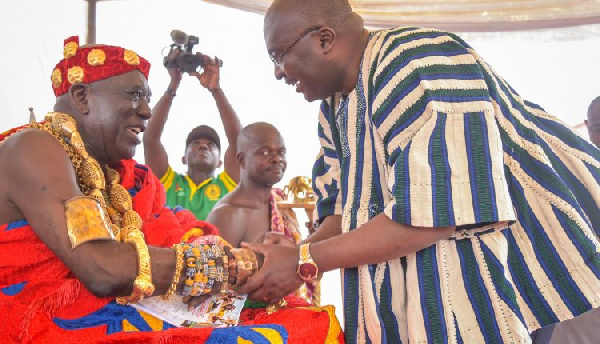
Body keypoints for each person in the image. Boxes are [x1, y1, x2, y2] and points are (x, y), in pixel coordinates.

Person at [236, 1, 600, 343]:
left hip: (536, 261)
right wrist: (290, 257)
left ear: (324, 40)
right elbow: (343, 214)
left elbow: (435, 214)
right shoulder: (334, 107)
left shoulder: (419, 61)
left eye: (278, 56)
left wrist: (302, 262)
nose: (277, 73)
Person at [0, 36, 342, 343]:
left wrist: (233, 257)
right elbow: (102, 268)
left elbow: (166, 234)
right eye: (135, 95)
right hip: (42, 319)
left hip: (128, 303)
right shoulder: (34, 147)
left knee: (297, 318)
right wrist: (233, 264)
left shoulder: (123, 178)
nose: (146, 111)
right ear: (82, 96)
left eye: (147, 98)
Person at [206, 122, 317, 303]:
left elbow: (295, 264)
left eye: (281, 152)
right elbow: (211, 294)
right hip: (249, 328)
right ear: (241, 160)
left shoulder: (281, 203)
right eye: (264, 152)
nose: (276, 159)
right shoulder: (229, 215)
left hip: (291, 320)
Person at [143, 51, 241, 220]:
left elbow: (239, 142)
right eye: (195, 143)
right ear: (183, 158)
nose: (203, 146)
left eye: (211, 145)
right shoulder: (168, 182)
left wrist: (216, 90)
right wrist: (173, 84)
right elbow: (150, 139)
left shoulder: (227, 184)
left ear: (220, 162)